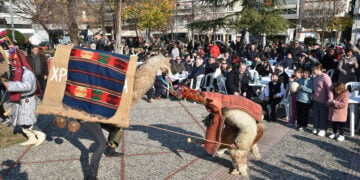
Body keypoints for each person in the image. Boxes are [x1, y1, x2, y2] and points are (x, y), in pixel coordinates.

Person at [1, 48, 45, 146]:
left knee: (27, 121)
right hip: (19, 100)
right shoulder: (16, 72)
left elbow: (27, 86)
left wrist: (10, 85)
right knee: (21, 121)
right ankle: (32, 138)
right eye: (12, 62)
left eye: (14, 61)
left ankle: (40, 134)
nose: (12, 64)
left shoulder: (26, 73)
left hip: (27, 100)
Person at [312, 64, 332, 137]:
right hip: (315, 98)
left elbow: (329, 88)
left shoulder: (325, 77)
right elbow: (314, 88)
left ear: (318, 69)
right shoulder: (316, 77)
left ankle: (322, 129)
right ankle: (316, 127)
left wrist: (330, 99)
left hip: (323, 99)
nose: (313, 71)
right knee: (316, 114)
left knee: (323, 115)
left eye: (314, 69)